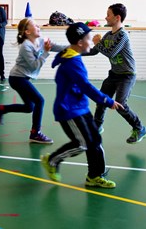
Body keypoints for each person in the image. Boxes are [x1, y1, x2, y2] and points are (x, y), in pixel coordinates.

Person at [40, 22, 124, 189]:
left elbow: (64, 49)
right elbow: (86, 86)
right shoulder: (72, 62)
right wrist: (107, 101)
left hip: (80, 107)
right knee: (82, 143)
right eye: (88, 39)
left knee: (95, 141)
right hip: (69, 110)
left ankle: (94, 176)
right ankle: (52, 160)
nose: (91, 42)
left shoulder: (71, 53)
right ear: (79, 43)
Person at [0, 18, 67, 144]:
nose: (39, 27)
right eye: (35, 26)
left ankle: (1, 109)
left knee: (29, 107)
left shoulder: (42, 40)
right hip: (17, 78)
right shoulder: (25, 46)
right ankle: (35, 133)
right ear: (27, 32)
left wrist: (77, 47)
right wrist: (46, 53)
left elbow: (60, 47)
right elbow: (34, 65)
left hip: (23, 78)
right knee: (40, 101)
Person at [86, 3, 146, 143]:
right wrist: (75, 53)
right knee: (101, 100)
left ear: (117, 17)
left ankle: (139, 128)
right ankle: (97, 126)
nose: (105, 17)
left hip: (127, 75)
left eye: (108, 14)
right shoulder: (108, 35)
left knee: (120, 104)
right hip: (114, 74)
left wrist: (98, 42)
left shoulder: (122, 35)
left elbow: (111, 52)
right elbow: (95, 51)